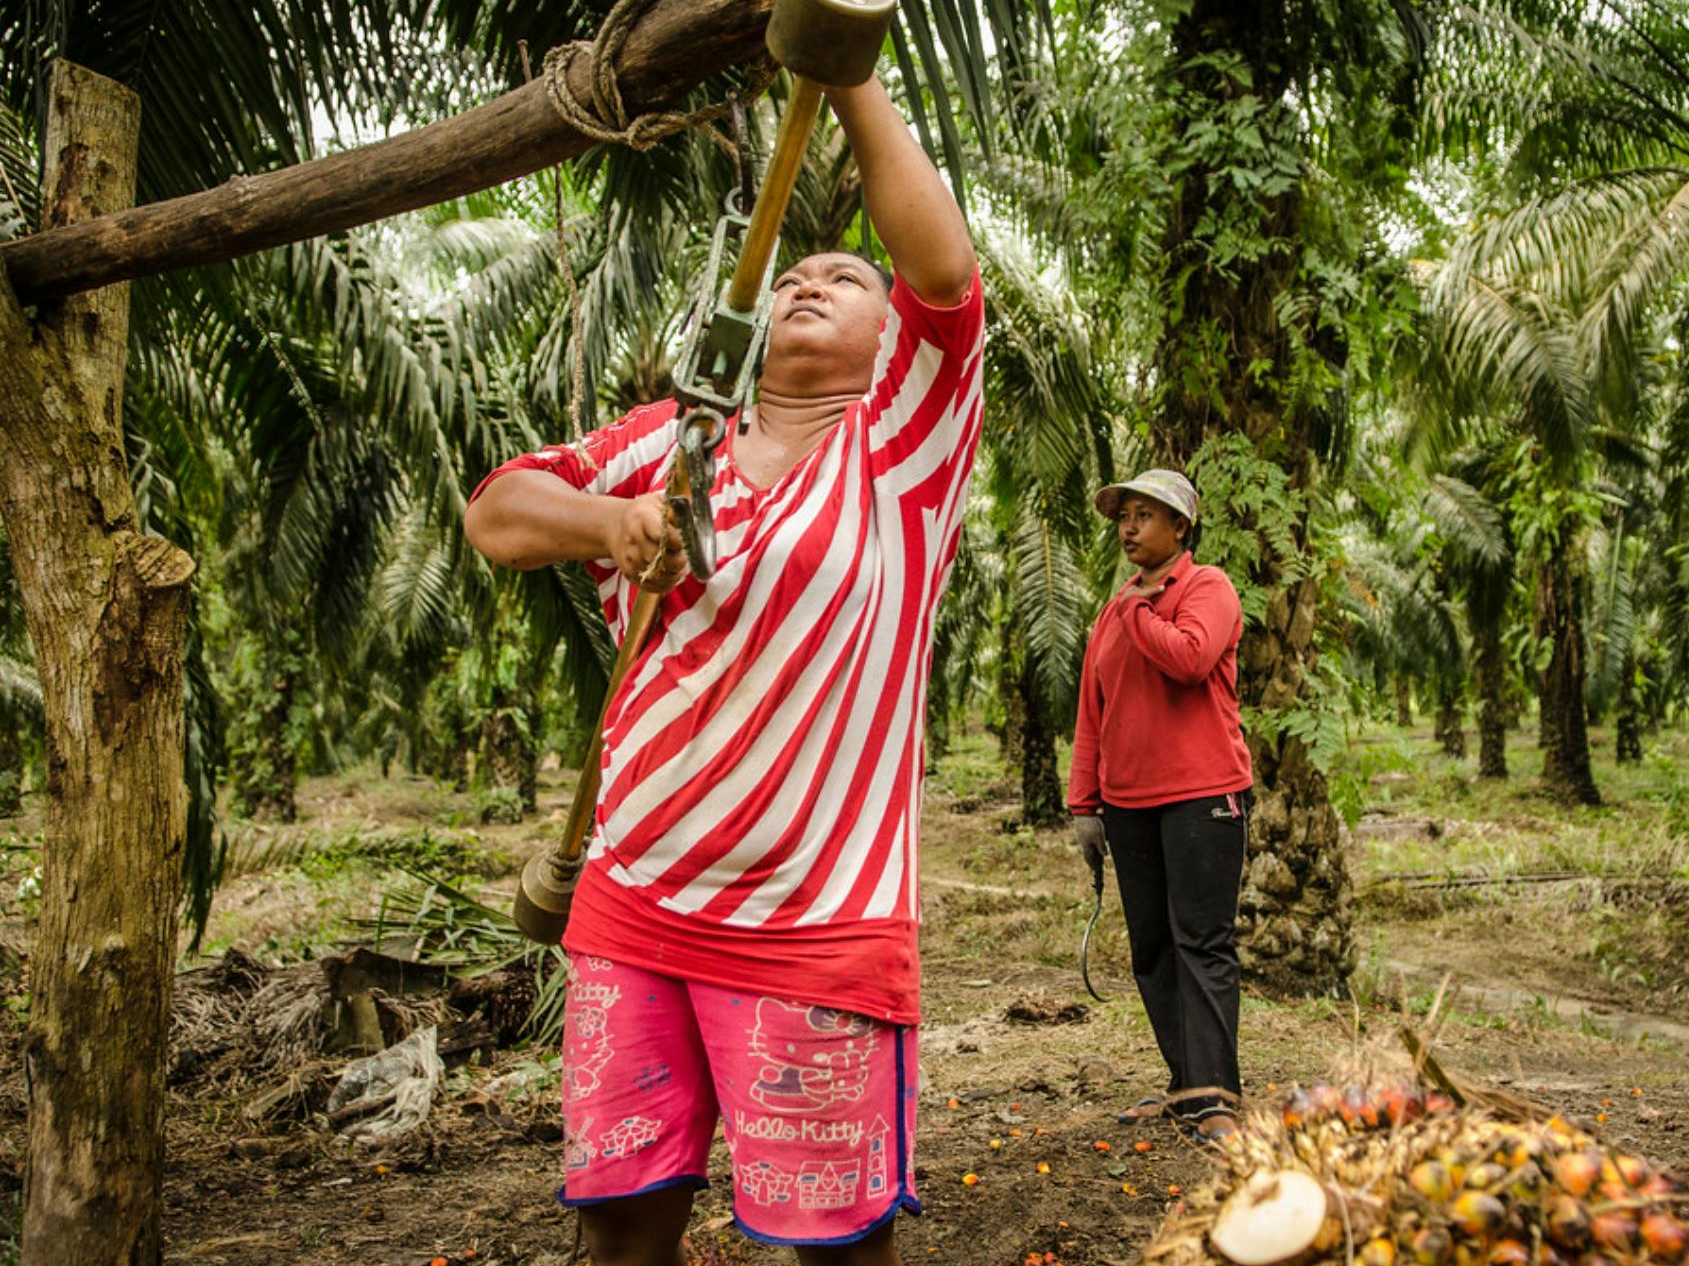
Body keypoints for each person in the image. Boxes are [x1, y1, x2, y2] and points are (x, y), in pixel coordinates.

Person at [463, 74, 978, 1266]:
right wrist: (612, 526)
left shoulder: (907, 443)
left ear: (891, 335)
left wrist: (842, 69)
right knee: (622, 1235)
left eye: (846, 279)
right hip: (633, 902)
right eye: (792, 275)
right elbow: (497, 510)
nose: (809, 280)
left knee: (836, 1246)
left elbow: (945, 274)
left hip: (818, 925)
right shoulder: (670, 439)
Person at [1066, 469, 1253, 1143]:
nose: (1129, 527)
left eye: (1146, 515)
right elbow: (1094, 707)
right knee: (1152, 949)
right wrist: (1084, 802)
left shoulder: (1208, 589)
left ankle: (1218, 1099)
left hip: (1203, 796)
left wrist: (1141, 610)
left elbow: (1192, 658)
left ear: (1182, 528)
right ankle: (1186, 1087)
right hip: (1128, 804)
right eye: (1125, 516)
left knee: (1202, 943)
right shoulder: (1113, 609)